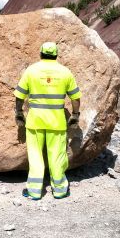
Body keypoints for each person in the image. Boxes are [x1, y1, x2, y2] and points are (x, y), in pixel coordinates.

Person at [13, 42, 81, 200]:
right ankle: (60, 190)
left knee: (35, 156)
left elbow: (19, 95)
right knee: (57, 156)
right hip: (56, 122)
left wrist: (19, 112)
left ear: (41, 54)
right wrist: (75, 115)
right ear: (56, 55)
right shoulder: (65, 72)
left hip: (35, 121)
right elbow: (75, 97)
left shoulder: (32, 71)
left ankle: (34, 191)